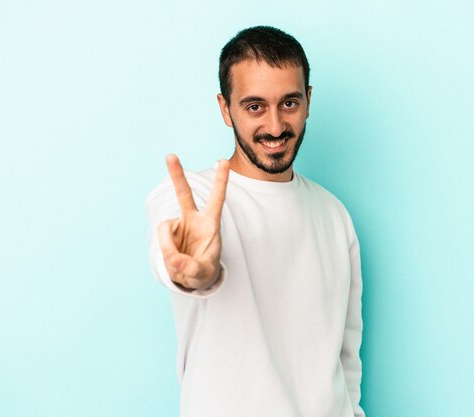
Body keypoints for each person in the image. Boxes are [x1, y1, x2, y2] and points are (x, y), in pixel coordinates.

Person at [146, 25, 364, 417]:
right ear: (225, 108)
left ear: (309, 101)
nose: (276, 126)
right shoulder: (193, 197)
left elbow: (346, 361)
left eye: (290, 103)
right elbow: (178, 256)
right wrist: (196, 271)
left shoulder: (334, 214)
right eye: (254, 106)